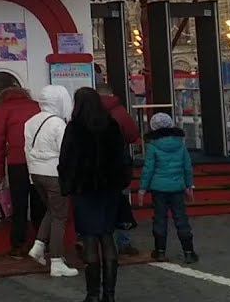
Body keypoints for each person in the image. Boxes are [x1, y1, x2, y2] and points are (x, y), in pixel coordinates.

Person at [59, 87, 131, 302]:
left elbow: (66, 161)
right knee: (107, 237)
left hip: (84, 192)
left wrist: (68, 186)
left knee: (89, 239)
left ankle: (92, 295)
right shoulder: (111, 126)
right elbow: (122, 158)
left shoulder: (74, 128)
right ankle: (110, 295)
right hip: (109, 191)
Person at [24, 85, 78, 277]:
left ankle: (38, 246)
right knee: (59, 217)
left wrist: (31, 175)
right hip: (54, 173)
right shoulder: (58, 124)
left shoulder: (30, 122)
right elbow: (66, 153)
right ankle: (56, 261)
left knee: (52, 210)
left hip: (36, 173)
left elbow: (26, 150)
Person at [0, 80, 44, 258]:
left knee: (19, 204)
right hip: (38, 162)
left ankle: (18, 245)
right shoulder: (37, 107)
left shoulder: (3, 109)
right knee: (39, 203)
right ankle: (42, 243)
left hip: (17, 163)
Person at [138, 113, 197, 262]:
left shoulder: (152, 146)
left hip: (158, 188)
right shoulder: (180, 144)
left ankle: (160, 252)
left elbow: (148, 169)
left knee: (159, 218)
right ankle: (189, 252)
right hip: (177, 187)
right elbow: (187, 167)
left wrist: (142, 189)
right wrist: (189, 185)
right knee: (181, 218)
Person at [97, 83, 141, 256]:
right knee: (121, 203)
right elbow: (133, 134)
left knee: (96, 204)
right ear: (111, 93)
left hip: (94, 165)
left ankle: (95, 242)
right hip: (118, 164)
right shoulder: (119, 111)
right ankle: (123, 242)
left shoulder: (88, 111)